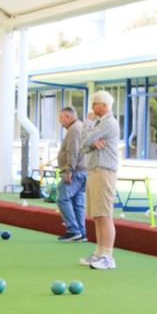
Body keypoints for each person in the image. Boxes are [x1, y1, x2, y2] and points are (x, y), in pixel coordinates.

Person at [79, 90, 121, 270]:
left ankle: (108, 255)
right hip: (95, 170)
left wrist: (88, 126)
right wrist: (91, 144)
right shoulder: (99, 123)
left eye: (95, 104)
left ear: (104, 106)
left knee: (104, 214)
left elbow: (86, 138)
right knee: (97, 215)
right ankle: (99, 252)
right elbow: (83, 146)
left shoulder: (108, 123)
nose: (92, 107)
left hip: (104, 172)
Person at [55, 106, 88, 241]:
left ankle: (73, 230)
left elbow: (73, 151)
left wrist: (68, 170)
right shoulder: (79, 127)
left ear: (68, 117)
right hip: (83, 170)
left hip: (75, 171)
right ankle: (81, 232)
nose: (60, 121)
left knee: (62, 198)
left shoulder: (74, 130)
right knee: (77, 202)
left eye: (61, 117)